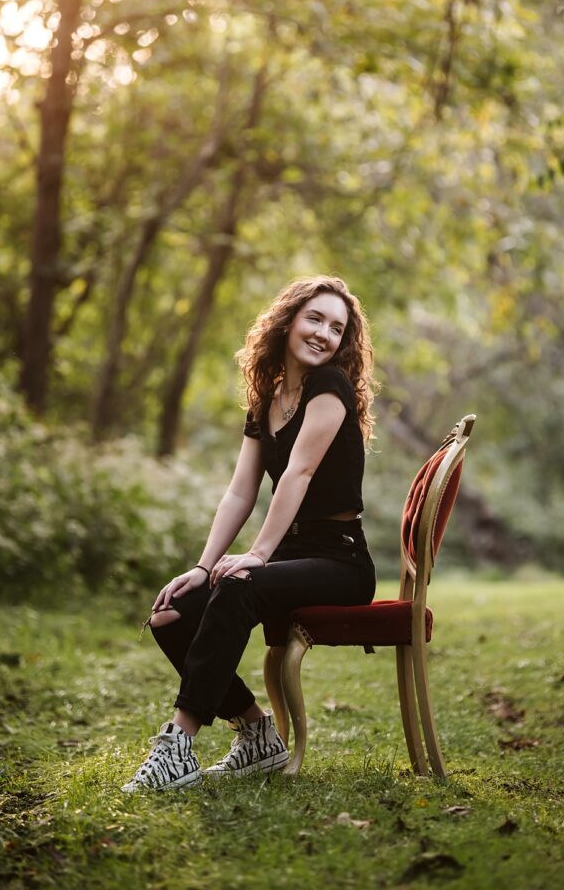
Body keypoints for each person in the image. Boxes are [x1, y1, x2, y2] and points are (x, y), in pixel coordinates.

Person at [122, 275, 378, 791]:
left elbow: (298, 474)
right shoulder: (266, 401)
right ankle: (257, 731)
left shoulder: (331, 387)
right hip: (288, 560)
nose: (324, 334)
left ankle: (177, 744)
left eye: (337, 328)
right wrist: (201, 566)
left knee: (241, 583)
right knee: (170, 614)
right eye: (315, 319)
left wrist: (257, 555)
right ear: (287, 322)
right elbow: (240, 493)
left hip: (341, 563)